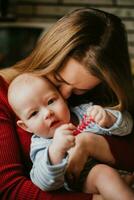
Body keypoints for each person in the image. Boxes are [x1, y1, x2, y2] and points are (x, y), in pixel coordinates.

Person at [0, 7, 134, 200]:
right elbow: (9, 189)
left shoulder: (86, 106)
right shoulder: (7, 96)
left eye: (80, 90)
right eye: (58, 80)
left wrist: (89, 142)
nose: (64, 96)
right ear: (48, 58)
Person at [7, 73, 134, 200]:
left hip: (123, 167)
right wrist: (56, 150)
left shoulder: (86, 111)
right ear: (26, 126)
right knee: (104, 174)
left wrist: (109, 118)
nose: (48, 113)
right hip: (89, 178)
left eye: (51, 101)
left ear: (63, 98)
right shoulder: (41, 145)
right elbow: (43, 183)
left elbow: (128, 127)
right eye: (34, 113)